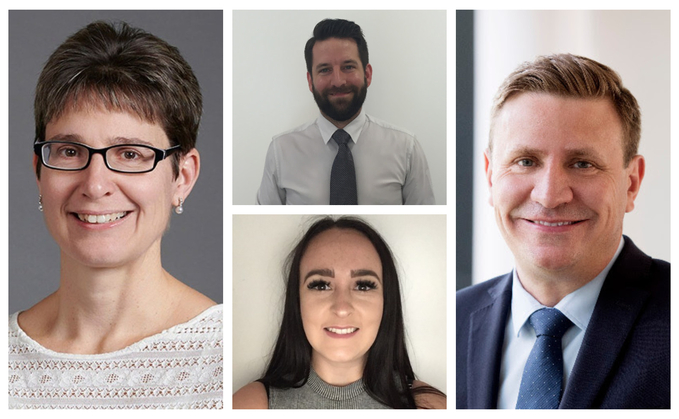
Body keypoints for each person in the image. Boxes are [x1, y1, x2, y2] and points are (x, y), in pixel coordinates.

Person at [8, 21, 223, 409]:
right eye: (70, 151)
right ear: (39, 171)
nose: (95, 184)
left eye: (130, 154)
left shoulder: (228, 359)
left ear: (183, 177)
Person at [456, 54, 670, 409]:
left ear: (631, 183)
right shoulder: (452, 321)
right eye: (525, 161)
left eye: (582, 164)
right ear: (491, 176)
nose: (550, 195)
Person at [233, 217, 446, 409]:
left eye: (363, 286)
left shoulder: (432, 408)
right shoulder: (249, 406)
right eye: (320, 285)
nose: (342, 308)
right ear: (297, 301)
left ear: (386, 302)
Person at [256, 18, 435, 205]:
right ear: (310, 81)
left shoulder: (406, 149)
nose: (338, 81)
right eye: (325, 70)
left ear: (367, 74)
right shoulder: (281, 151)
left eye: (348, 67)